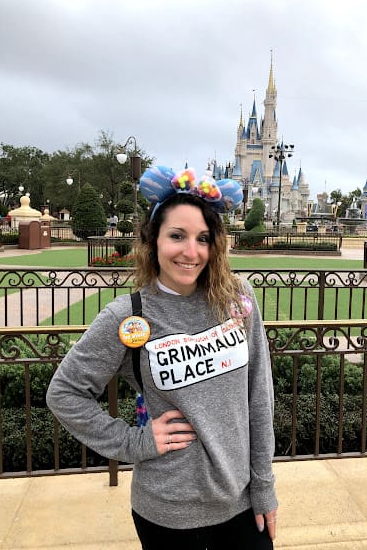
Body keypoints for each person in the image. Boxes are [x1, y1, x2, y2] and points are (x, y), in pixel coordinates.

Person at [46, 166, 278, 549]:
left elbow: (259, 397)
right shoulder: (129, 316)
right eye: (177, 236)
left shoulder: (238, 298)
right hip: (167, 513)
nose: (191, 251)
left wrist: (264, 486)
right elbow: (65, 394)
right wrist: (135, 442)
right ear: (152, 239)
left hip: (240, 504)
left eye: (203, 238)